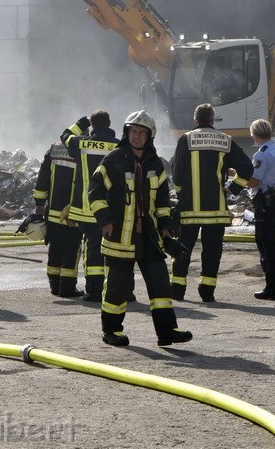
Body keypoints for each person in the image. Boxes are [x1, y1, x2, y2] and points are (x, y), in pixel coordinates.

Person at [88, 110, 193, 347]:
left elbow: (164, 202)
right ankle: (112, 331)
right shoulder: (113, 160)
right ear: (127, 133)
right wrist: (104, 218)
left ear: (149, 136)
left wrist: (166, 229)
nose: (136, 136)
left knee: (160, 283)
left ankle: (167, 332)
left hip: (149, 233)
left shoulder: (156, 164)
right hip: (119, 235)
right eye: (133, 131)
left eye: (141, 132)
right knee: (117, 287)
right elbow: (95, 189)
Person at [169, 103, 255, 302]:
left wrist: (182, 194)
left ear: (195, 120)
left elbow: (177, 173)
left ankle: (177, 289)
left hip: (189, 210)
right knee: (212, 251)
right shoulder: (225, 140)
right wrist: (233, 188)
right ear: (212, 120)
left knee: (182, 249)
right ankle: (207, 291)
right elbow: (247, 169)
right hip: (216, 211)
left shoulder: (186, 139)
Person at [61, 109, 119, 302]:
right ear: (109, 123)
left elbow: (65, 136)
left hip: (85, 209)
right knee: (112, 250)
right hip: (109, 210)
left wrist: (80, 123)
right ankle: (117, 289)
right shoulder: (118, 146)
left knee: (92, 248)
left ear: (92, 125)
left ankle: (93, 291)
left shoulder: (80, 143)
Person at [33, 138, 82, 297]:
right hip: (73, 213)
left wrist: (40, 202)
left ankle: (54, 286)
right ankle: (67, 288)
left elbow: (43, 176)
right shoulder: (83, 150)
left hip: (53, 211)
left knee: (55, 248)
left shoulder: (55, 149)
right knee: (71, 250)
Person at [246, 118, 275, 300]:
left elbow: (254, 181)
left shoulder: (261, 154)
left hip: (265, 202)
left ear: (255, 135)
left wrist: (235, 181)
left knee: (265, 243)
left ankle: (272, 287)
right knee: (274, 243)